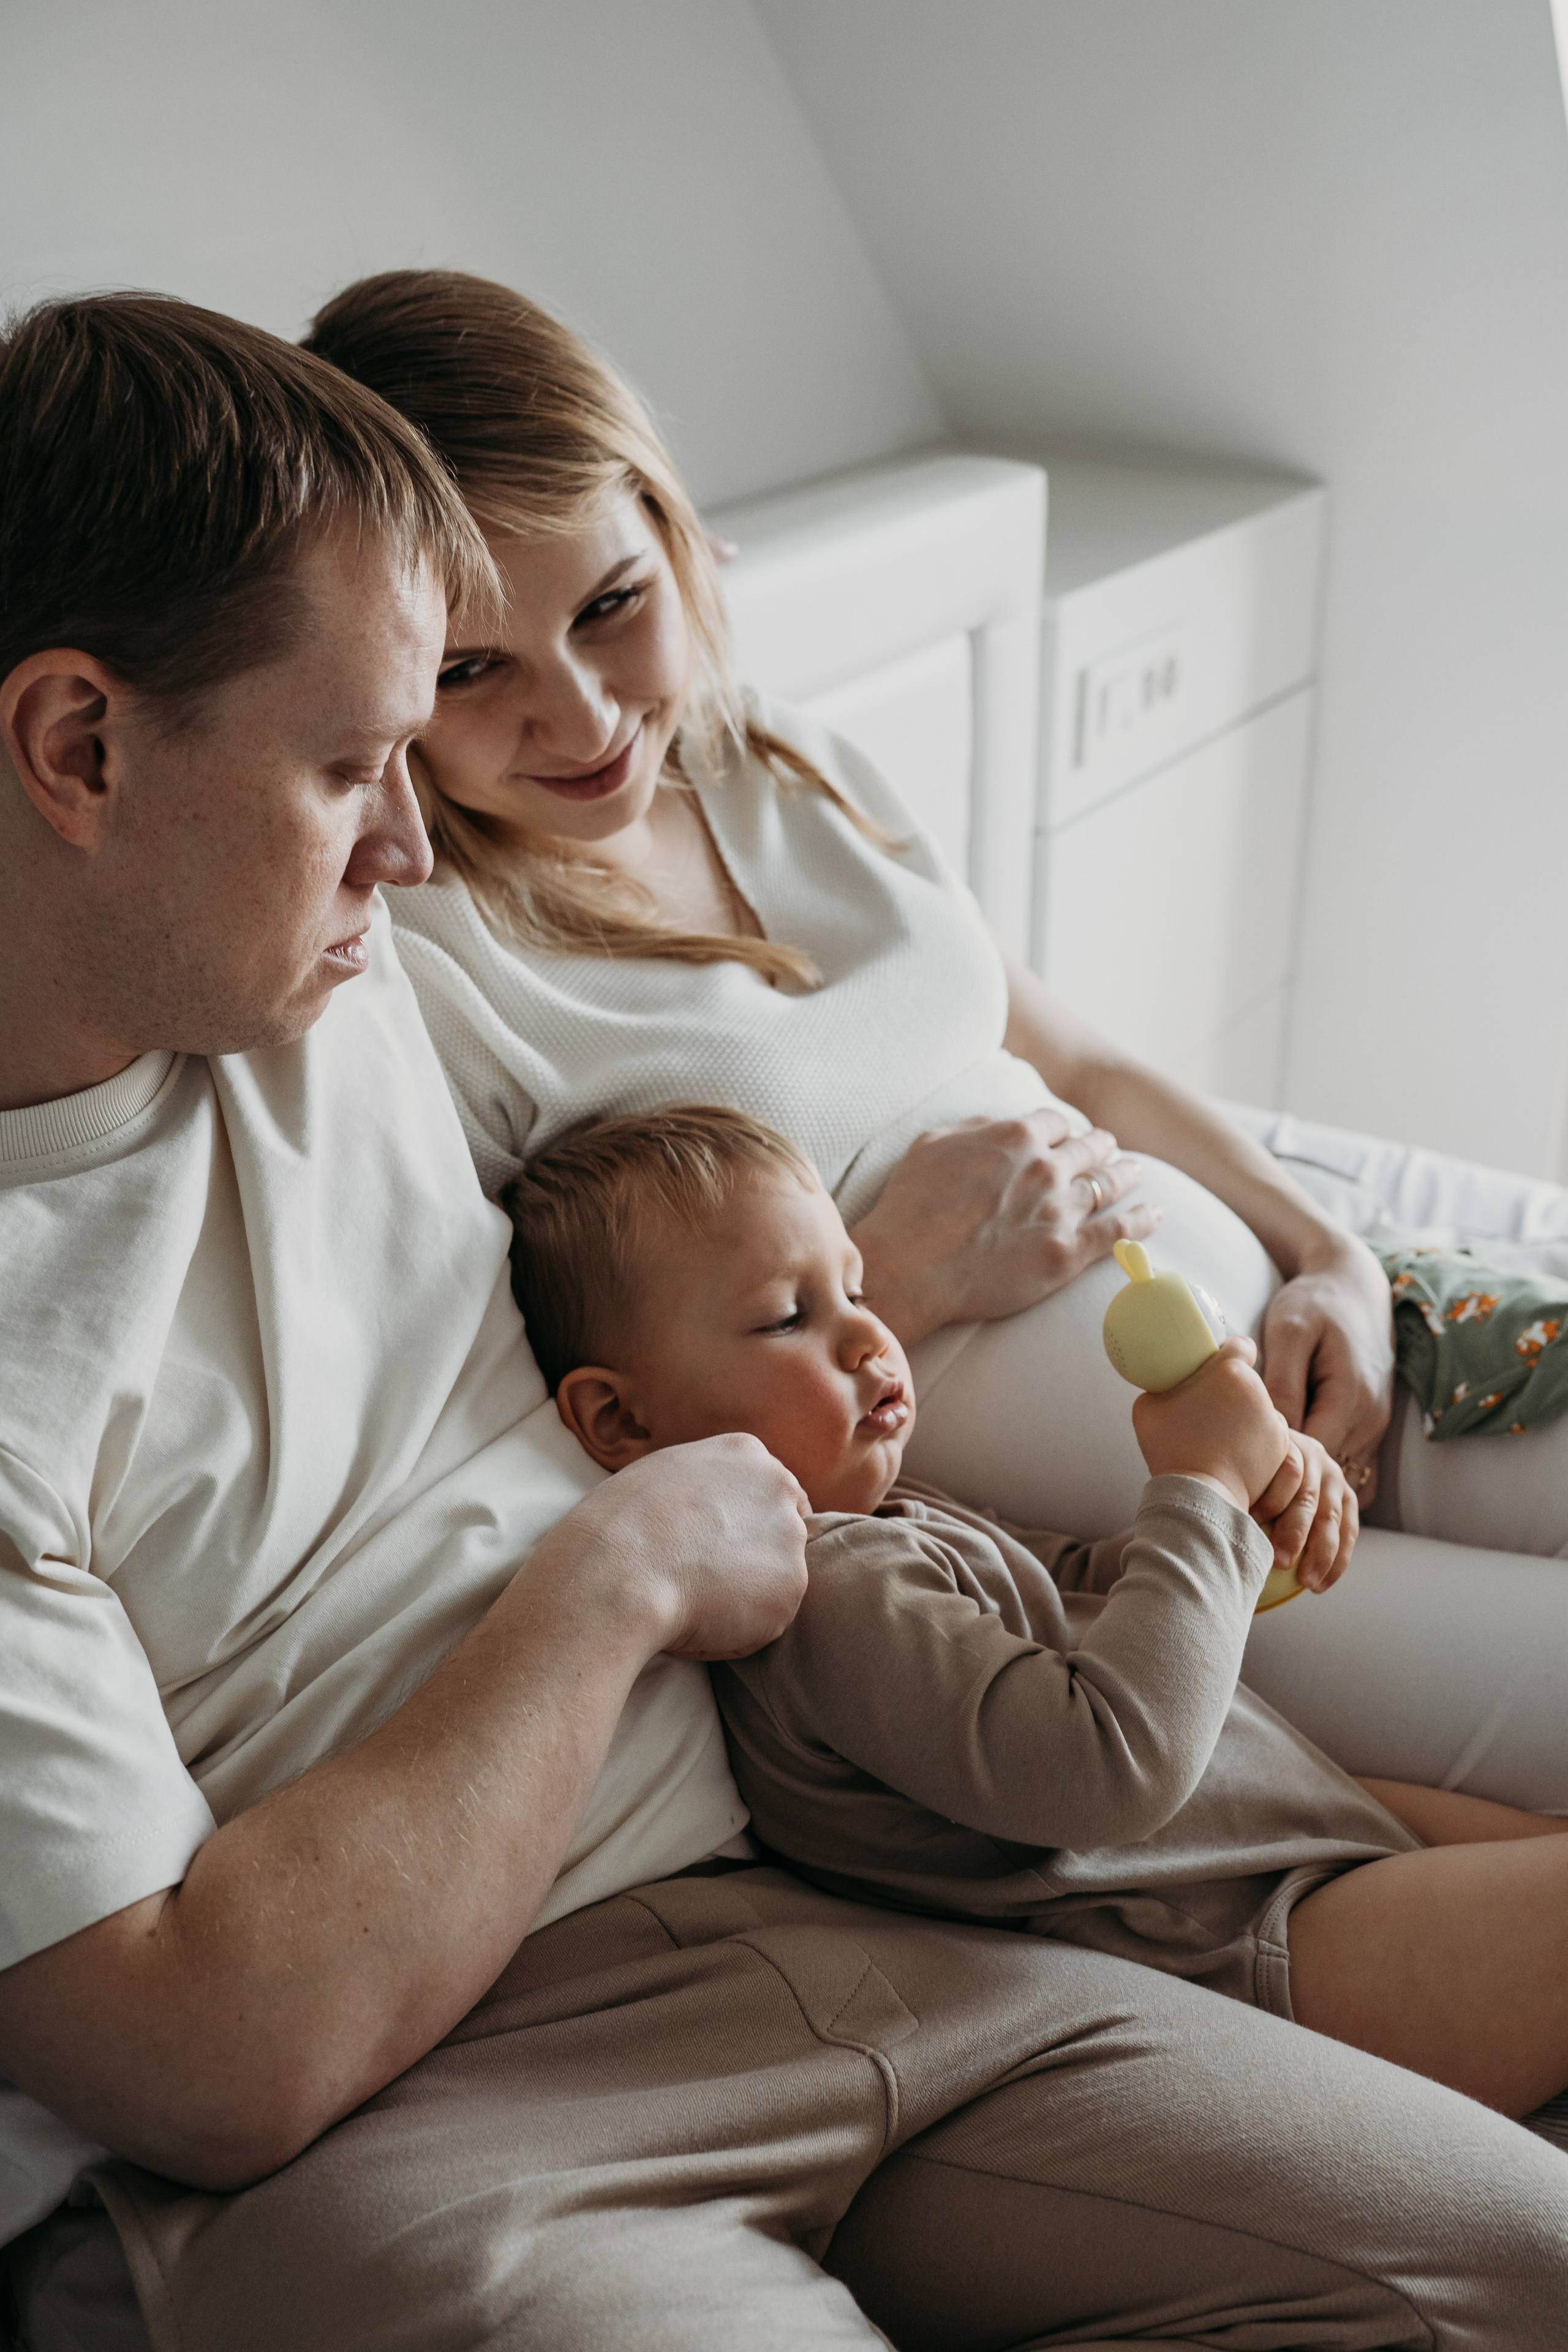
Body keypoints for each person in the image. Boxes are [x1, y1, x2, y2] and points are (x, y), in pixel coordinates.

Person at [1, 293, 1565, 2352]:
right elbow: (215, 2053)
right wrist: (628, 1569)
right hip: (438, 2108)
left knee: (1523, 2267)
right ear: (82, 749)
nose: (416, 838)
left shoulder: (333, 975)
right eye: (357, 763)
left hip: (841, 1872)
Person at [303, 266, 1568, 1814]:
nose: (578, 721)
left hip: (1305, 1359)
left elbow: (1077, 1058)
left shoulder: (775, 756)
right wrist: (894, 1276)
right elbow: (575, 1448)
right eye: (468, 672)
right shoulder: (423, 974)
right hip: (1168, 1542)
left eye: (612, 608)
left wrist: (1330, 1259)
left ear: (671, 536)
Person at [505, 1101, 1568, 2120]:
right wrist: (1197, 1491)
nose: (872, 1336)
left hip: (1303, 1843)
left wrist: (1247, 1517)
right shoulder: (827, 1598)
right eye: (791, 1315)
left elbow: (1089, 1597)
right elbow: (1109, 1769)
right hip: (1262, 1945)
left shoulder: (891, 1518)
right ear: (620, 1419)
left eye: (857, 1284)